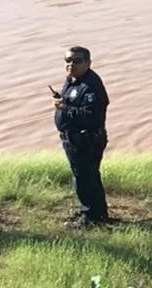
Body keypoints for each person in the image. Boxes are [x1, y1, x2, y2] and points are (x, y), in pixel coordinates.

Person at [53, 46, 110, 227]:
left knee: (85, 178)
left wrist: (63, 108)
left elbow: (90, 116)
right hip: (74, 139)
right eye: (67, 60)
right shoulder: (72, 80)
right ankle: (96, 213)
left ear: (88, 63)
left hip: (86, 140)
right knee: (87, 177)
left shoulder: (91, 85)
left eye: (76, 61)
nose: (71, 65)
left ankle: (90, 217)